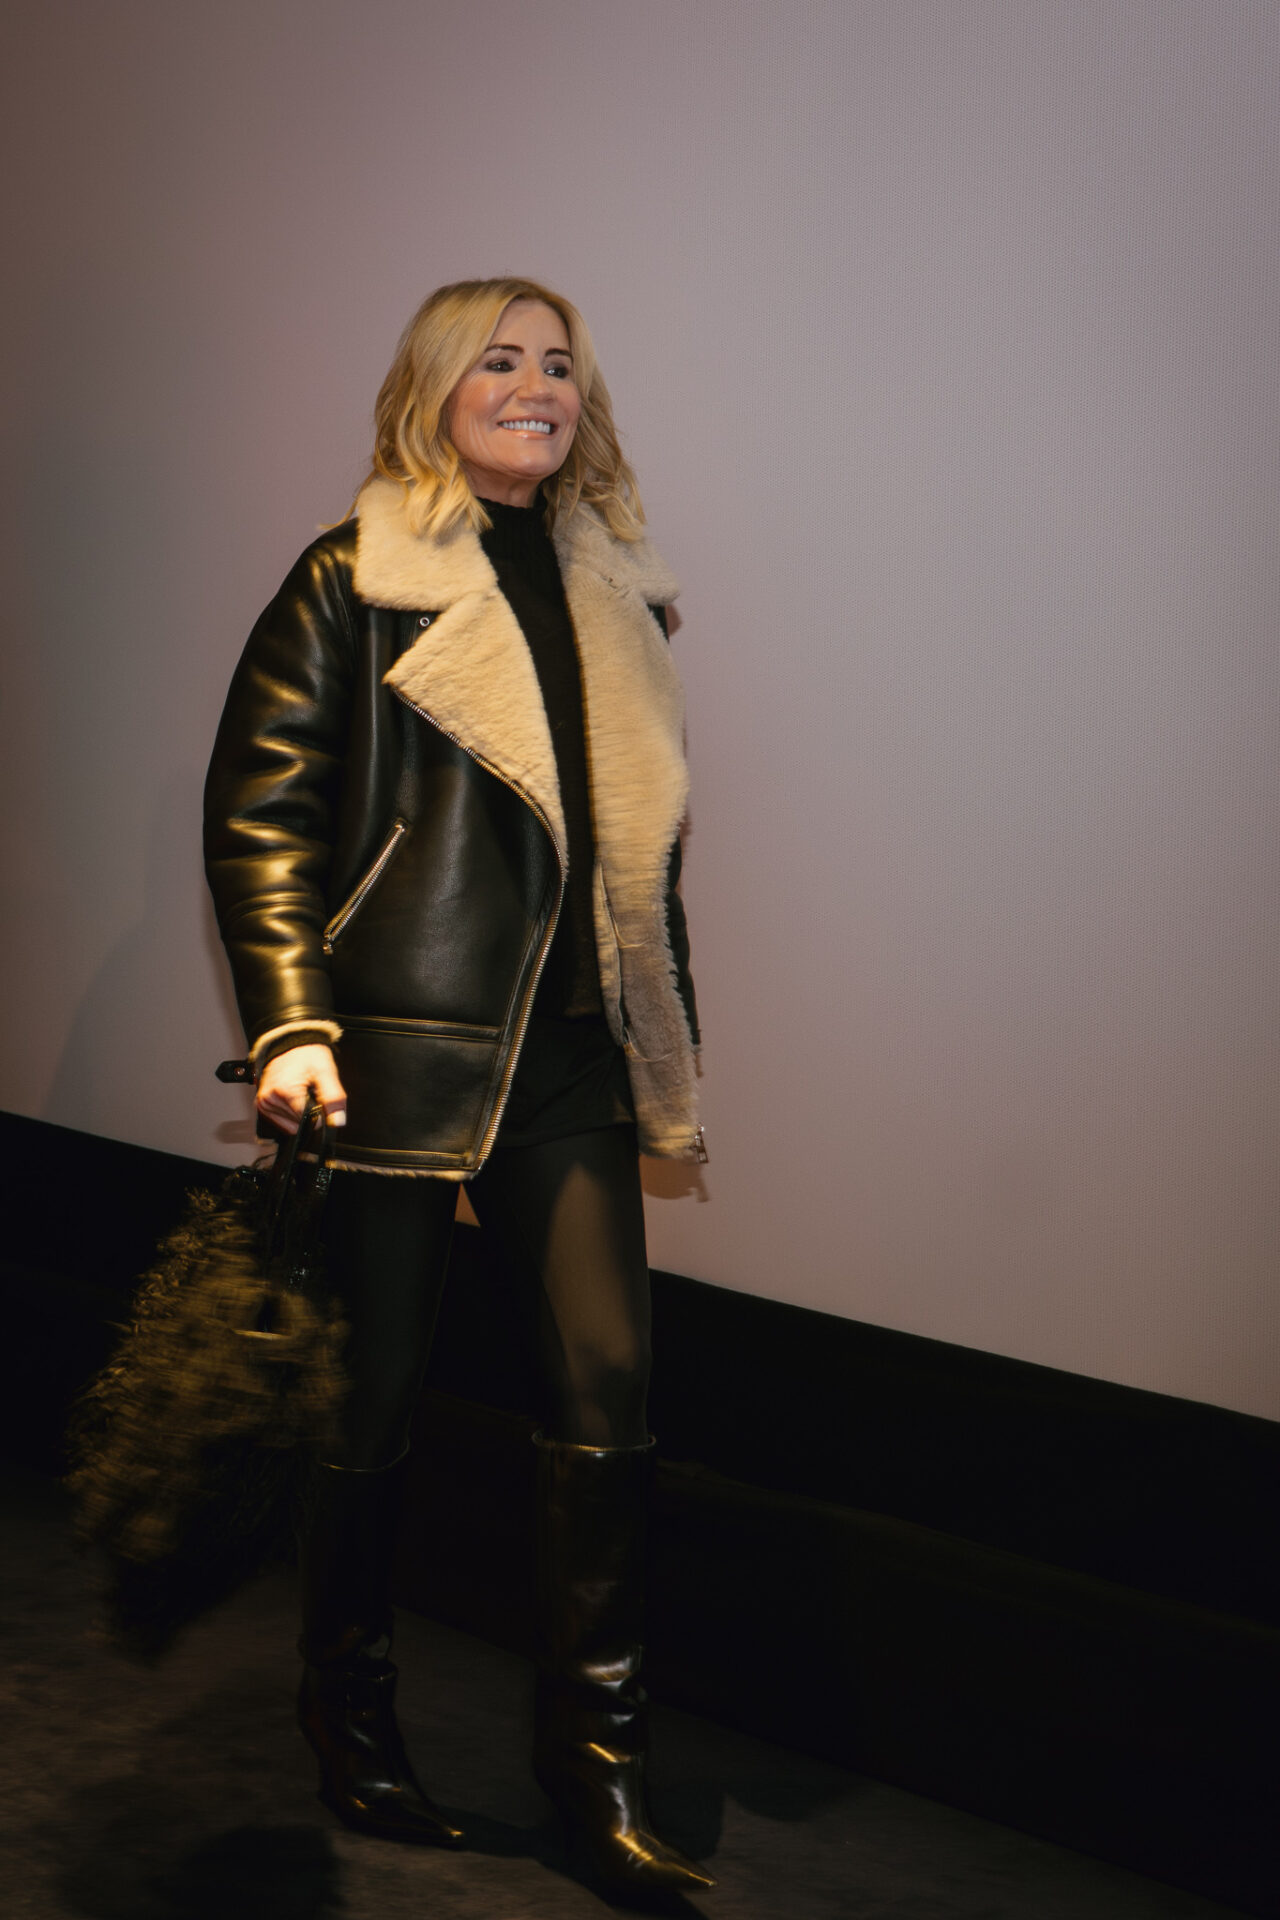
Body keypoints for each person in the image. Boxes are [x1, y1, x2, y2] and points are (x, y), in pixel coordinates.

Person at [203, 277, 711, 1896]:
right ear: (435, 386)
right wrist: (292, 1022)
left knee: (609, 1394)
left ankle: (597, 1770)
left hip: (572, 1052)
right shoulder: (353, 575)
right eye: (499, 359)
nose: (536, 385)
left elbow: (634, 849)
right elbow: (262, 812)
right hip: (395, 1055)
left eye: (559, 365)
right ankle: (350, 1722)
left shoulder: (614, 591)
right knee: (370, 1405)